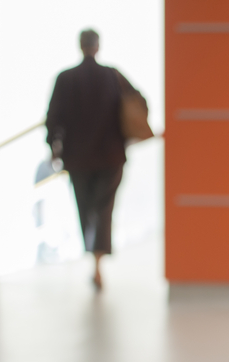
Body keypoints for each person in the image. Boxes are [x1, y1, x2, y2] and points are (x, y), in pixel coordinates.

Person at [46, 29, 143, 290]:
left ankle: (95, 262)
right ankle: (98, 264)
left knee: (86, 208)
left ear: (80, 46)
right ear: (97, 47)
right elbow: (140, 102)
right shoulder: (113, 76)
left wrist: (53, 147)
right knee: (103, 209)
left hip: (78, 158)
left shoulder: (65, 79)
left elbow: (52, 118)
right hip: (110, 156)